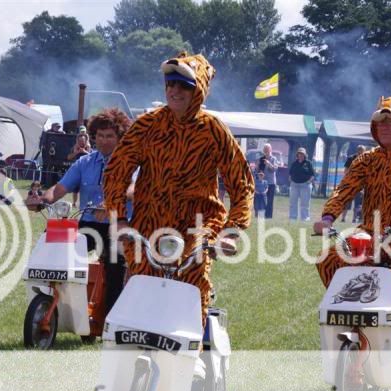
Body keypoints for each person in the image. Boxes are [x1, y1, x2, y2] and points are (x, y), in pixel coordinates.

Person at [103, 51, 254, 323]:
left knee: (192, 281)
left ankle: (190, 355)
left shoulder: (214, 130)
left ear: (199, 90)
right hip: (150, 219)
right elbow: (117, 171)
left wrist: (231, 232)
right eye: (170, 83)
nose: (175, 90)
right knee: (140, 286)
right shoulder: (147, 125)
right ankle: (136, 350)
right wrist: (119, 219)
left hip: (199, 220)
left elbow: (241, 184)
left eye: (184, 84)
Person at [313, 96, 391, 391]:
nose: (384, 128)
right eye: (380, 123)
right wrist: (329, 216)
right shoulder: (367, 160)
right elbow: (346, 188)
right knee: (328, 259)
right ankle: (354, 333)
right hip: (371, 236)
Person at [41, 108, 133, 315]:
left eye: (110, 136)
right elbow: (60, 188)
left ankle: (109, 318)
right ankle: (57, 304)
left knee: (114, 265)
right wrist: (42, 199)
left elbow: (135, 190)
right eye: (100, 135)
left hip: (119, 225)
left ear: (120, 137)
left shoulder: (131, 162)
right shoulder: (84, 162)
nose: (104, 141)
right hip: (88, 224)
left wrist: (112, 203)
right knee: (56, 249)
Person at [288, 147, 315, 222]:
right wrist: (291, 181)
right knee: (293, 203)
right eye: (299, 153)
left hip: (305, 186)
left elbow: (312, 175)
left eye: (302, 154)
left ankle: (305, 218)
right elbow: (290, 174)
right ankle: (292, 218)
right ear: (297, 154)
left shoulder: (308, 163)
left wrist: (308, 182)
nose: (300, 155)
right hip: (294, 185)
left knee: (305, 204)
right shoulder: (294, 163)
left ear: (304, 155)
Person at [341, 145, 367, 222]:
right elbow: (346, 170)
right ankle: (343, 218)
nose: (361, 152)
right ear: (357, 150)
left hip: (360, 185)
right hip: (350, 184)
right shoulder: (351, 158)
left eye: (362, 150)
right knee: (347, 202)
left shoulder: (367, 159)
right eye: (359, 150)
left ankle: (354, 218)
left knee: (357, 203)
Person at [258, 143, 278, 218]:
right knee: (262, 199)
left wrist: (269, 163)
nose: (266, 150)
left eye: (267, 149)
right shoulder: (261, 159)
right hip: (262, 183)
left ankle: (268, 216)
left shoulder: (274, 159)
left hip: (271, 183)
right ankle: (261, 215)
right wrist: (257, 167)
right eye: (265, 149)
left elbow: (274, 169)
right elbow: (259, 171)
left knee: (270, 200)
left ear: (270, 150)